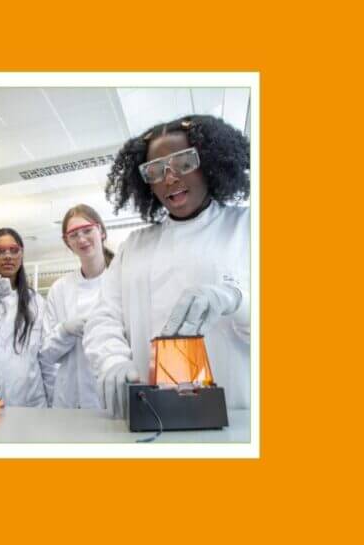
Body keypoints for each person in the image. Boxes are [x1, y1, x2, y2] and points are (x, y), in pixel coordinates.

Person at [82, 115, 253, 419]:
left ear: (210, 163)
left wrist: (237, 300)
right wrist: (112, 361)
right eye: (156, 171)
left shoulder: (248, 226)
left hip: (237, 417)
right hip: (152, 415)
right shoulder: (134, 246)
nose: (169, 178)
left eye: (184, 163)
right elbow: (103, 317)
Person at [34, 205, 115, 409]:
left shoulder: (121, 280)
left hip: (110, 395)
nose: (81, 239)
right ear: (67, 242)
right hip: (70, 398)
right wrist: (64, 331)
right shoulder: (59, 289)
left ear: (101, 231)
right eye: (73, 235)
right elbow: (46, 354)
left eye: (87, 230)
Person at [0, 228, 52, 407]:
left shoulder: (36, 302)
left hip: (32, 404)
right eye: (0, 251)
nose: (8, 256)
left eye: (14, 250)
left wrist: (55, 402)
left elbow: (47, 358)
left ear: (21, 254)